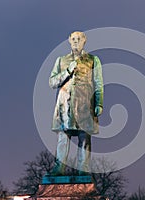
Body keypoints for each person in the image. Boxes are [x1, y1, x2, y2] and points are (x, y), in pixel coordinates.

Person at [48, 31, 103, 176]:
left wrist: (99, 103)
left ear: (84, 41)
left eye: (79, 39)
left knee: (84, 137)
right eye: (73, 39)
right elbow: (52, 82)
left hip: (85, 104)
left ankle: (83, 169)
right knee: (63, 137)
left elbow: (98, 83)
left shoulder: (93, 60)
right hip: (65, 104)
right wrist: (67, 71)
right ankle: (59, 168)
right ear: (69, 41)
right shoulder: (61, 60)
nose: (76, 41)